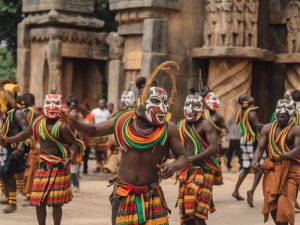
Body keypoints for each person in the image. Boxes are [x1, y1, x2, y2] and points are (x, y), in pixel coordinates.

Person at [59, 61, 188, 225]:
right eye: (152, 101)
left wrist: (174, 166)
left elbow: (184, 156)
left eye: (162, 102)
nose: (159, 107)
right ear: (139, 102)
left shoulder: (168, 129)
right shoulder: (123, 121)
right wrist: (73, 122)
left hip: (151, 193)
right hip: (124, 193)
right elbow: (93, 131)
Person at [0, 92, 85, 225]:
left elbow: (73, 144)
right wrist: (7, 140)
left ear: (59, 107)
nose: (51, 107)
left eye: (55, 104)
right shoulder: (37, 123)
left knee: (56, 203)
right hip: (42, 166)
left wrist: (70, 157)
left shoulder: (63, 127)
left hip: (58, 167)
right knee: (39, 202)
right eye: (49, 103)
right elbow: (24, 134)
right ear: (44, 105)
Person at [252, 98, 300, 225]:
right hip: (272, 171)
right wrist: (255, 161)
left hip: (290, 172)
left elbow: (298, 147)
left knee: (283, 208)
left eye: (285, 113)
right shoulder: (267, 128)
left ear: (293, 113)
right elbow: (260, 148)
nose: (282, 114)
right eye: (279, 112)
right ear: (275, 112)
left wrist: (289, 154)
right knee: (271, 204)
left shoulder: (296, 129)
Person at [177, 89, 218, 225]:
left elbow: (214, 147)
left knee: (197, 213)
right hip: (186, 172)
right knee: (187, 213)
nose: (190, 109)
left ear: (202, 108)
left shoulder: (206, 124)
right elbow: (177, 148)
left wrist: (191, 159)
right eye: (187, 104)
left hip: (203, 171)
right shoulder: (181, 125)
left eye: (194, 105)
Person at [0, 81, 29, 213]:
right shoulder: (8, 113)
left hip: (16, 148)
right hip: (7, 148)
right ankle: (7, 197)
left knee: (8, 173)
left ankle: (12, 203)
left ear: (10, 96)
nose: (1, 96)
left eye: (4, 94)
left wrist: (21, 148)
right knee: (2, 173)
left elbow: (26, 130)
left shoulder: (17, 113)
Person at [232, 94, 264, 208]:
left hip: (244, 141)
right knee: (259, 168)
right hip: (252, 142)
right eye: (248, 97)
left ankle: (236, 191)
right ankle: (251, 191)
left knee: (246, 167)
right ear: (246, 102)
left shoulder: (241, 112)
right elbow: (257, 126)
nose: (251, 97)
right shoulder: (252, 112)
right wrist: (271, 126)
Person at [202, 87, 227, 185]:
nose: (216, 102)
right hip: (202, 146)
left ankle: (208, 194)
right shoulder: (200, 115)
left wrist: (220, 139)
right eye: (212, 99)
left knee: (210, 172)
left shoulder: (218, 117)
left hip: (213, 148)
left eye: (216, 99)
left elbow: (224, 130)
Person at [21, 92, 41, 207]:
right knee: (30, 170)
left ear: (26, 101)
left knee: (33, 171)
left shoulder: (30, 112)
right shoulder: (36, 111)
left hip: (36, 146)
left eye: (23, 101)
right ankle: (29, 194)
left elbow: (27, 131)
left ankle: (32, 196)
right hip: (33, 145)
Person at [91, 99, 110, 173]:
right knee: (97, 151)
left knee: (104, 151)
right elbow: (92, 121)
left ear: (104, 104)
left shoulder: (107, 112)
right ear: (98, 104)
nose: (101, 104)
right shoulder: (94, 111)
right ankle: (98, 167)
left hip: (105, 133)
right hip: (97, 133)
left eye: (103, 103)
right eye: (100, 103)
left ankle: (104, 167)